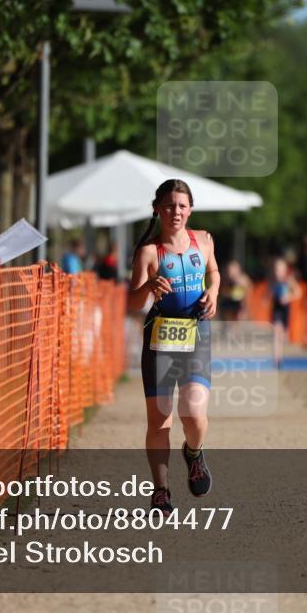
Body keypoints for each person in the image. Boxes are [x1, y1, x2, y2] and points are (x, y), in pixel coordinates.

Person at [128, 179, 219, 516]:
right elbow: (131, 303)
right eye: (169, 206)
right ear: (158, 210)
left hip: (196, 333)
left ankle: (194, 453)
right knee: (160, 420)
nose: (175, 212)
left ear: (190, 209)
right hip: (160, 338)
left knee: (194, 414)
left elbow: (214, 271)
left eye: (181, 206)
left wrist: (214, 292)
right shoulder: (149, 252)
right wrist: (150, 285)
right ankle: (161, 489)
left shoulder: (205, 240)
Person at [270, 257, 301, 367]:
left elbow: (298, 292)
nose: (278, 272)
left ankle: (280, 357)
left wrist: (288, 297)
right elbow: (270, 294)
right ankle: (276, 358)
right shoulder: (273, 281)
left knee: (283, 335)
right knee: (276, 332)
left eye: (280, 270)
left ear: (285, 270)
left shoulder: (288, 280)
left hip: (285, 310)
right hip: (276, 309)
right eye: (276, 270)